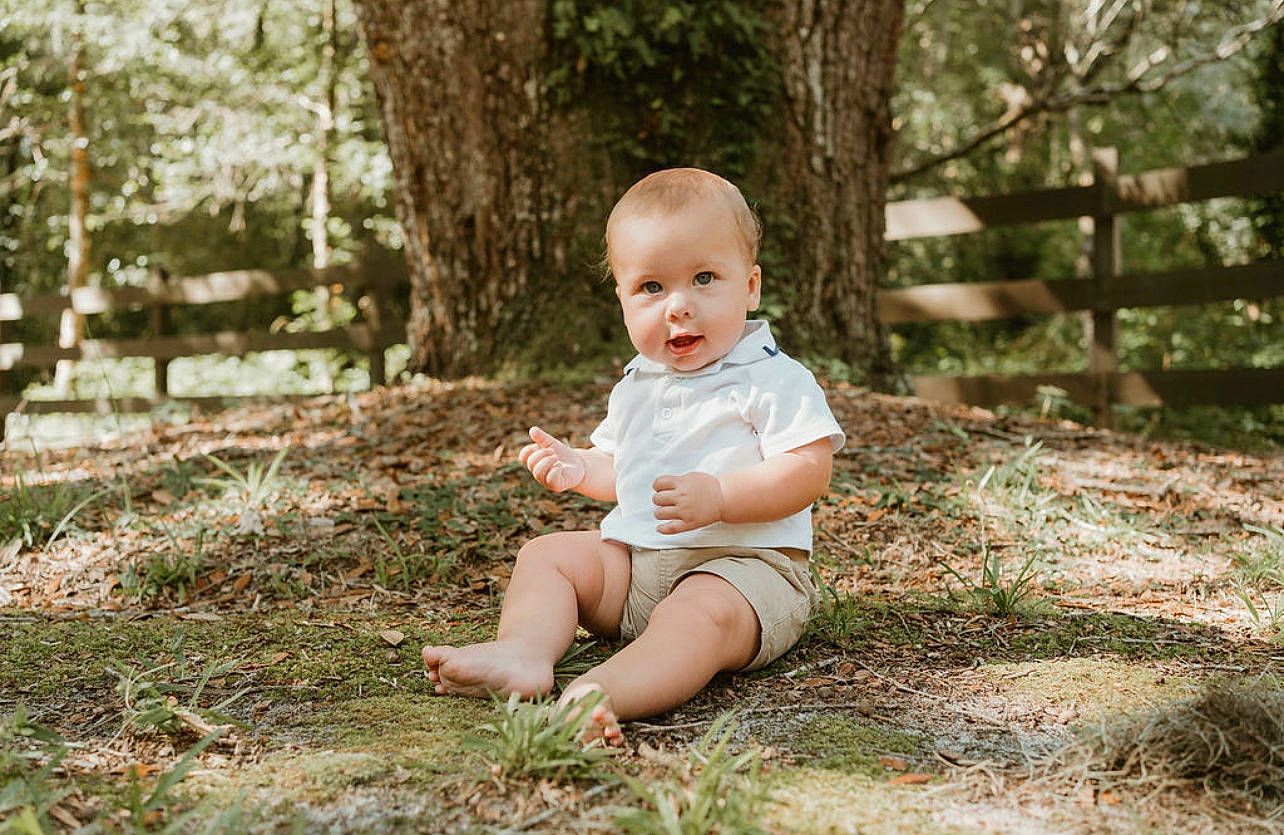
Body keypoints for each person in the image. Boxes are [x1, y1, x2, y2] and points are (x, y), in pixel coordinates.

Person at [421, 168, 845, 744]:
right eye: (651, 287)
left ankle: (604, 690)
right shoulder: (639, 383)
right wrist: (580, 468)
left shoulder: (772, 378)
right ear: (621, 298)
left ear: (750, 287)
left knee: (697, 614)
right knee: (548, 555)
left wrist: (722, 496)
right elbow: (622, 471)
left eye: (704, 278)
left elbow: (809, 470)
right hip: (638, 569)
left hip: (744, 573)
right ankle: (522, 654)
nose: (678, 306)